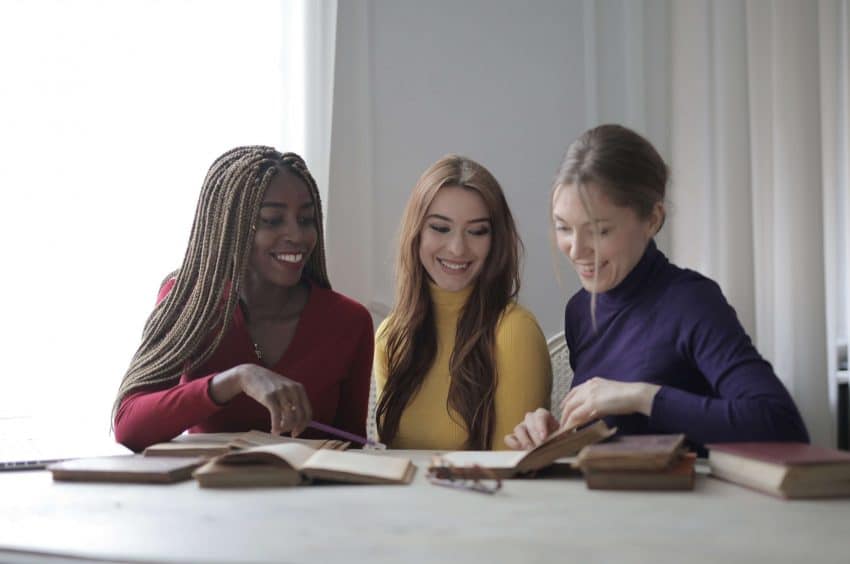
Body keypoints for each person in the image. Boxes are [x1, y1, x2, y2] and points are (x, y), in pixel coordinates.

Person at [506, 124, 809, 451]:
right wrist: (560, 434)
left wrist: (641, 396)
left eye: (599, 231)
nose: (576, 250)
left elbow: (781, 424)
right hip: (610, 500)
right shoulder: (580, 311)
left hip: (689, 501)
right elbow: (625, 438)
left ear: (652, 219)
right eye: (564, 228)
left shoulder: (692, 302)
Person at [113, 147, 373, 452]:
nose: (297, 235)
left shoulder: (349, 321)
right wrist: (237, 379)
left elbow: (351, 448)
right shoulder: (189, 301)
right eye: (273, 220)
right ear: (229, 226)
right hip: (207, 493)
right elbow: (129, 427)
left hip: (309, 495)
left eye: (306, 219)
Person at [374, 155, 552, 450]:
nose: (457, 248)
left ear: (495, 240)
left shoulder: (515, 332)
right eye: (440, 228)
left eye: (477, 231)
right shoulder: (391, 336)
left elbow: (509, 474)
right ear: (416, 233)